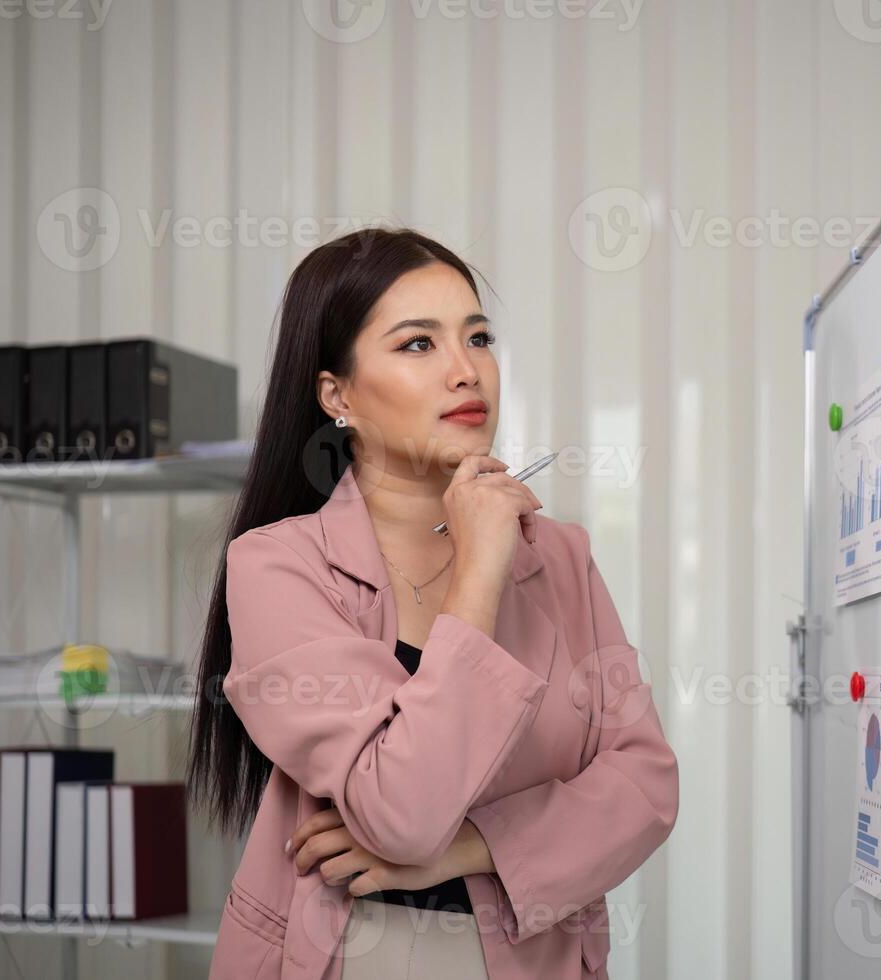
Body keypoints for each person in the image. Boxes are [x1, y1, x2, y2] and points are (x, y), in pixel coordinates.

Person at [187, 227, 679, 980]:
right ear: (337, 395)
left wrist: (475, 846)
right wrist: (480, 570)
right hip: (348, 954)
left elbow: (644, 785)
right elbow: (400, 811)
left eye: (477, 337)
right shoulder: (277, 564)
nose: (466, 371)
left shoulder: (563, 557)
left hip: (533, 955)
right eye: (418, 344)